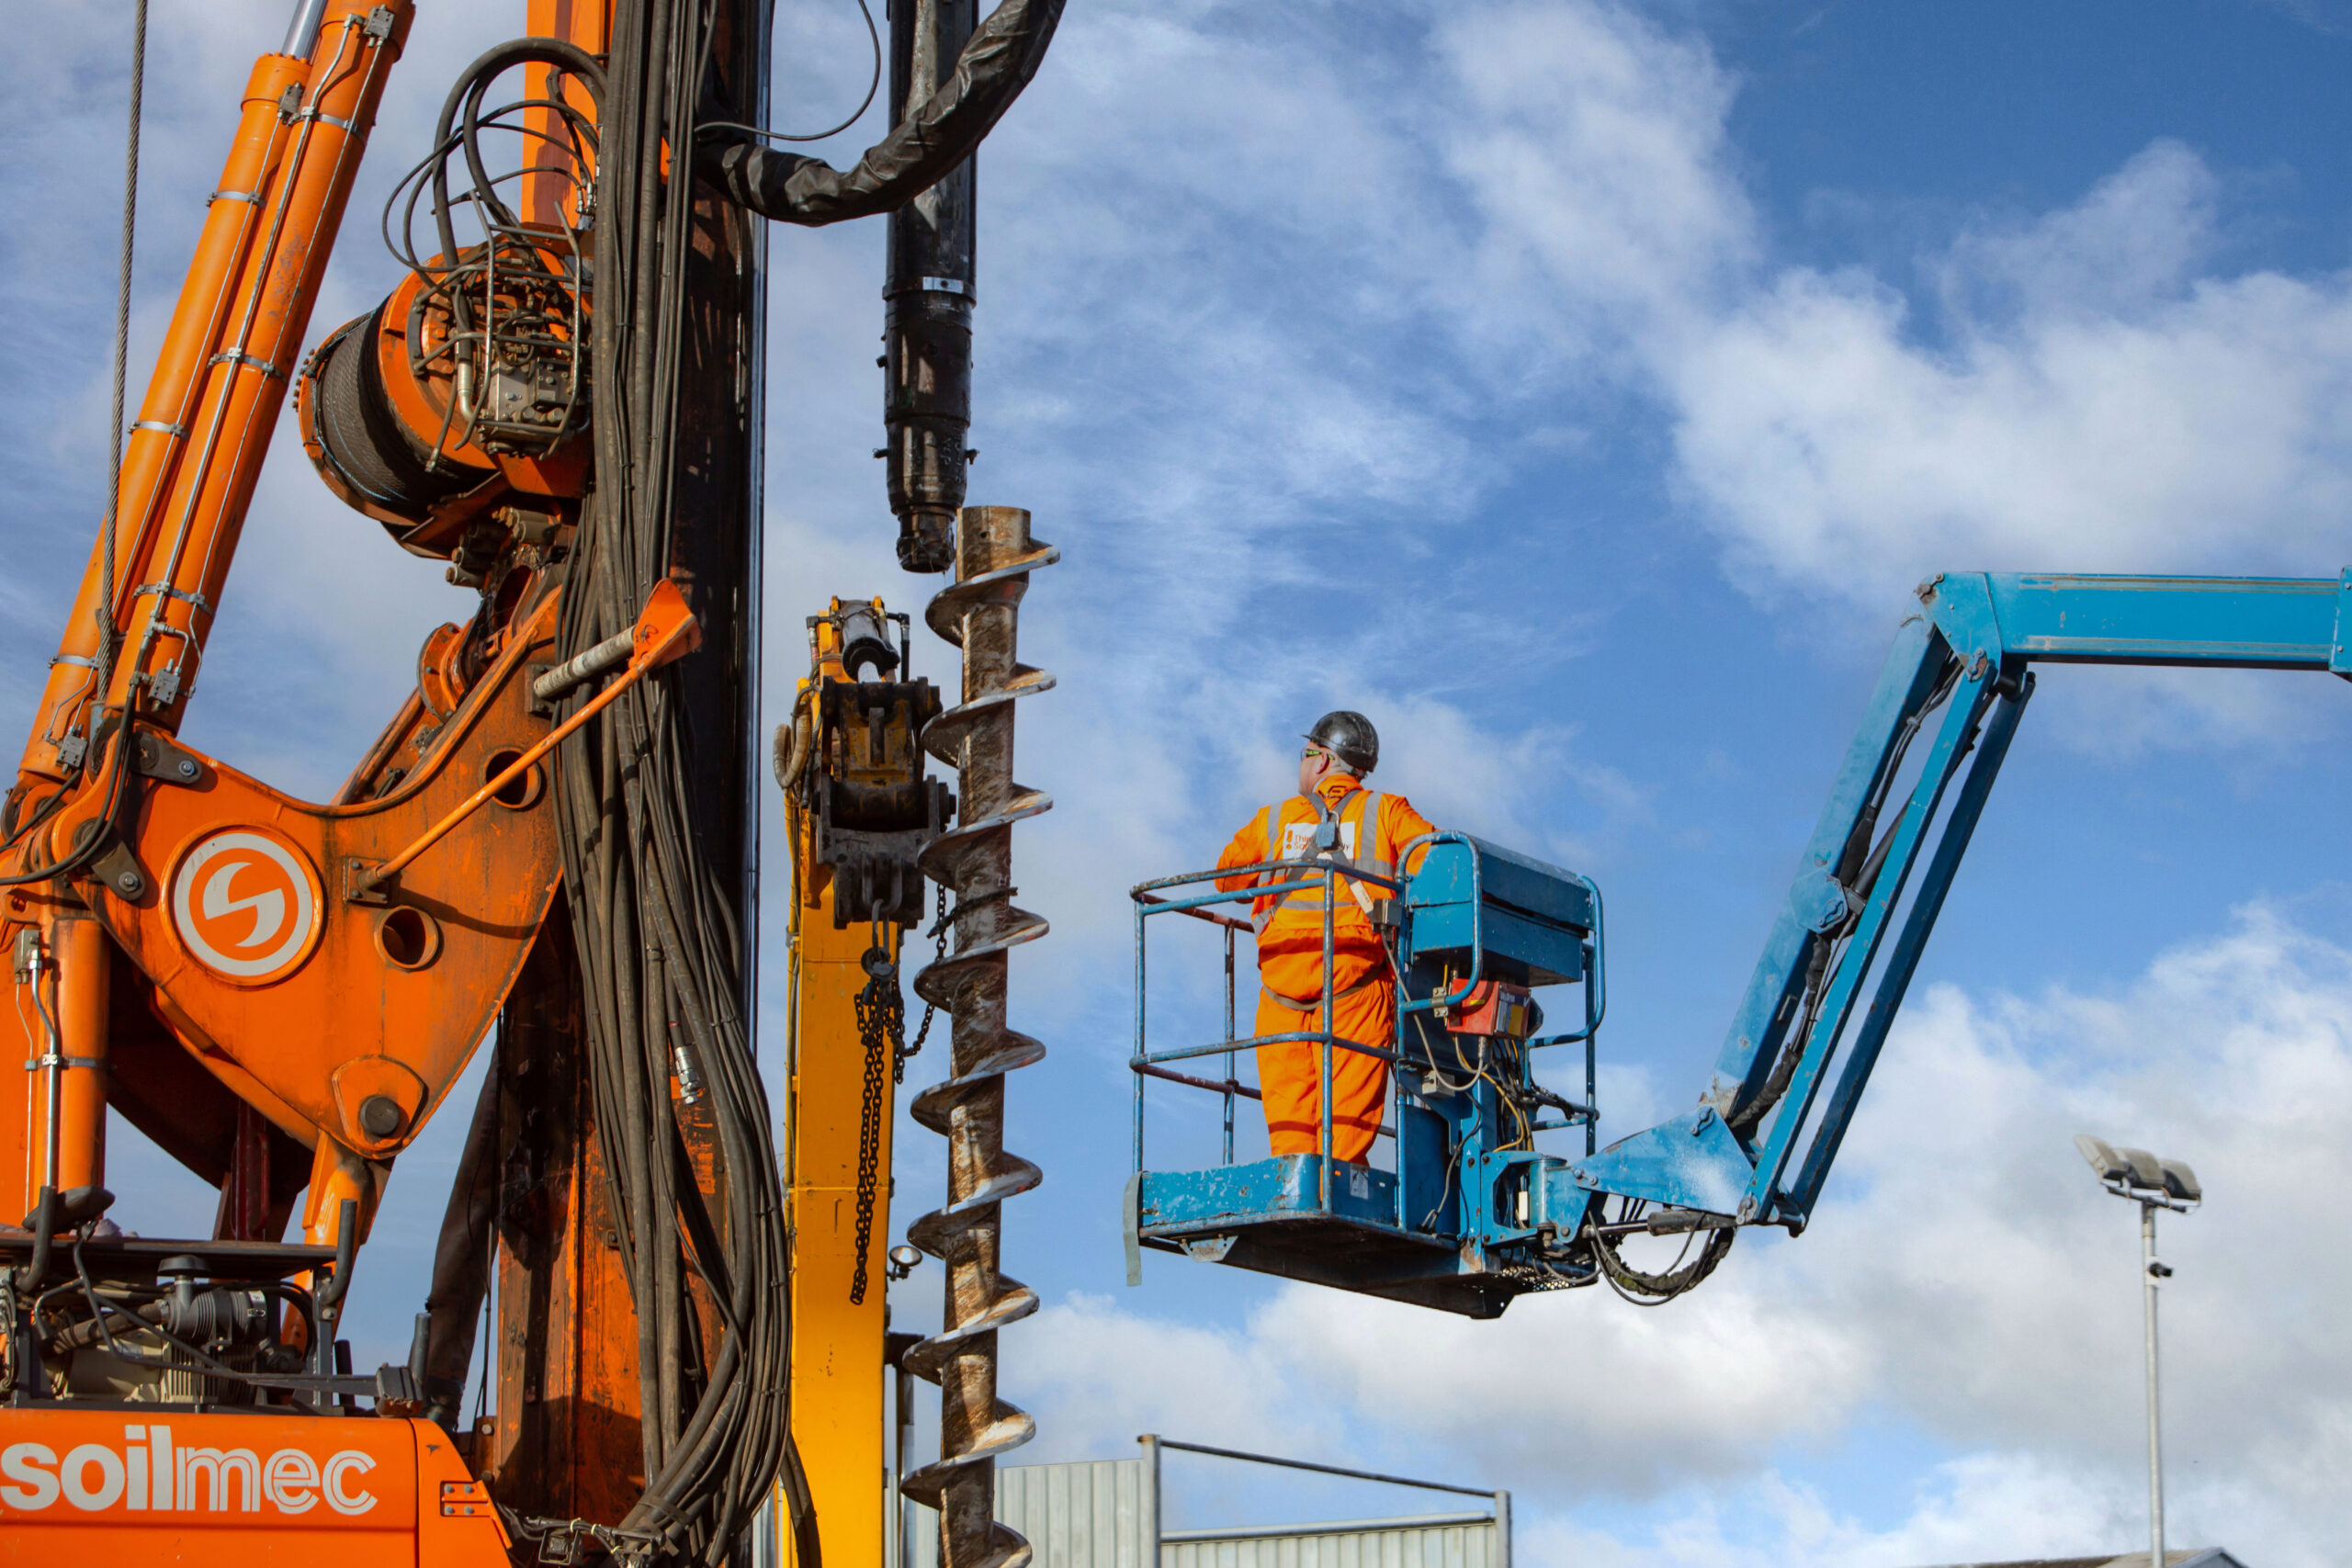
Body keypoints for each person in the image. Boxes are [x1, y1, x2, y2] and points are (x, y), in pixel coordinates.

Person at [1215, 712, 1435, 1165]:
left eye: (1305, 754)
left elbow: (1226, 881)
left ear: (1320, 760)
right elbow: (1438, 867)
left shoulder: (1272, 819)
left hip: (1281, 995)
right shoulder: (1387, 811)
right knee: (1347, 1133)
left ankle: (1296, 1197)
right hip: (1357, 990)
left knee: (1291, 1127)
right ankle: (1340, 1200)